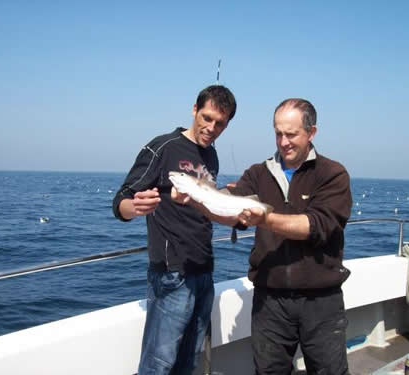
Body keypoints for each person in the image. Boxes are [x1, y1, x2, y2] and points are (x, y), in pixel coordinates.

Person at [112, 85, 237, 375]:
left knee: (188, 362)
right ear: (194, 110)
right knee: (158, 365)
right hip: (171, 273)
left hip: (204, 270)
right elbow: (121, 201)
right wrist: (136, 207)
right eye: (206, 118)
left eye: (220, 123)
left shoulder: (212, 156)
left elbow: (206, 205)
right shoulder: (163, 147)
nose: (211, 128)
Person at [229, 98, 352, 375]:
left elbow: (316, 225)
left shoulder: (332, 174)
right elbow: (231, 207)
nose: (283, 142)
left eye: (291, 134)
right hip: (269, 301)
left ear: (312, 132)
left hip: (321, 301)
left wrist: (266, 219)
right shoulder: (258, 173)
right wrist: (197, 197)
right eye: (278, 133)